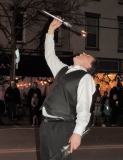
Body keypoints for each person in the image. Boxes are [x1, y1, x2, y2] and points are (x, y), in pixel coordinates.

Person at [39, 18, 98, 160]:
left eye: (88, 56)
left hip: (61, 127)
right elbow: (49, 55)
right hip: (46, 125)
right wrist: (51, 31)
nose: (83, 53)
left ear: (89, 66)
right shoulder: (64, 70)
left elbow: (84, 108)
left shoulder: (86, 78)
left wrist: (77, 133)